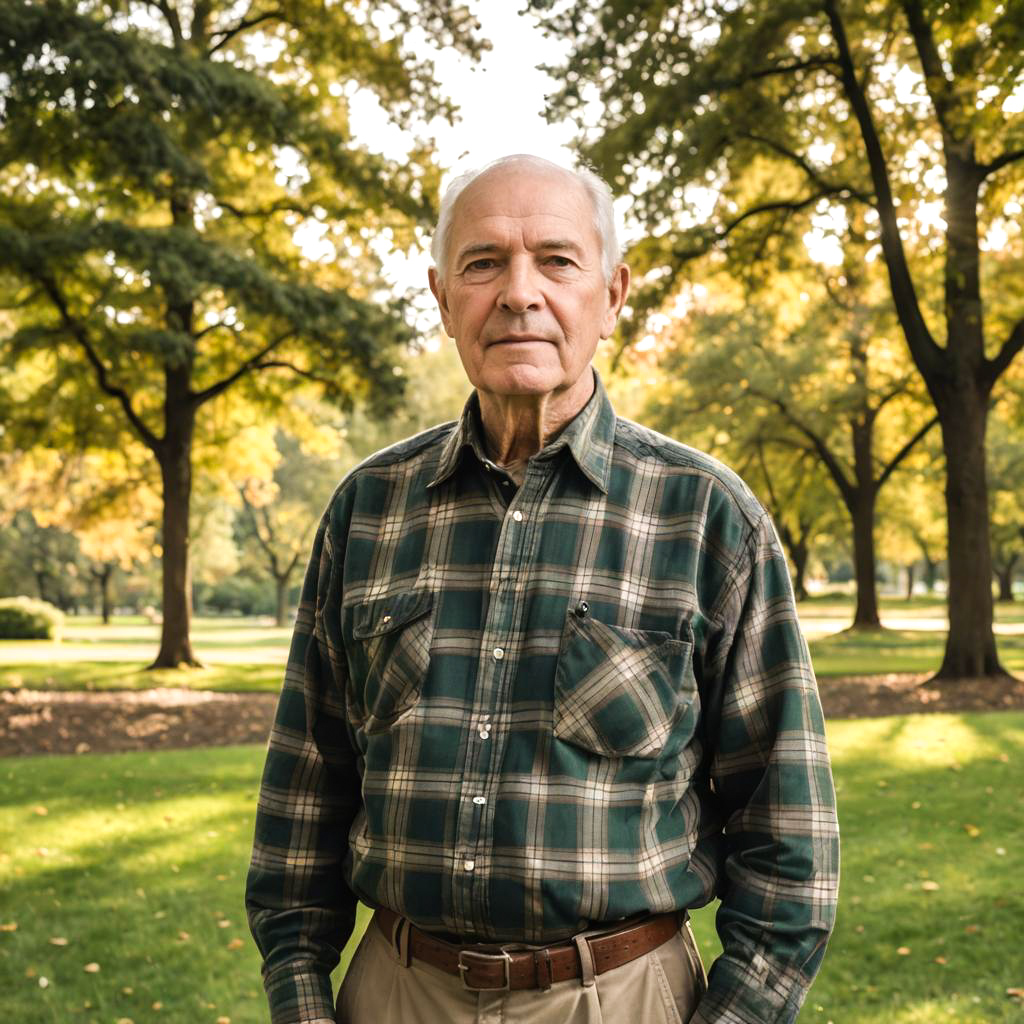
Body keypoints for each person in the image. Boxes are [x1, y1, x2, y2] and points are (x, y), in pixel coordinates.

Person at [246, 154, 839, 1024]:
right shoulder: (368, 510)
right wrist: (301, 1002)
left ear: (612, 294)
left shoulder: (706, 516)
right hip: (397, 996)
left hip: (621, 999)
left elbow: (790, 844)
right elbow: (303, 802)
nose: (519, 292)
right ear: (444, 297)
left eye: (557, 260)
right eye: (483, 263)